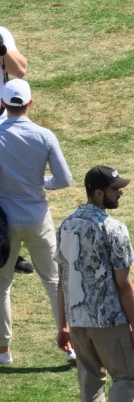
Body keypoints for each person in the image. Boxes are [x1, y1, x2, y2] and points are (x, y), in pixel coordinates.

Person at [58, 166, 134, 402]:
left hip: (78, 320)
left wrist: (63, 324)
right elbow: (124, 284)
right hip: (109, 321)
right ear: (97, 192)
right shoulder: (114, 229)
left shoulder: (65, 224)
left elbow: (63, 279)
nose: (120, 193)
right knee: (126, 376)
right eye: (115, 189)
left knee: (91, 380)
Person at [0, 76, 70, 365]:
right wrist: (42, 185)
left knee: (2, 285)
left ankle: (3, 351)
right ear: (30, 103)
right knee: (55, 282)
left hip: (4, 223)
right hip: (39, 218)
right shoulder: (44, 135)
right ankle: (70, 345)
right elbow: (64, 179)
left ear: (3, 103)